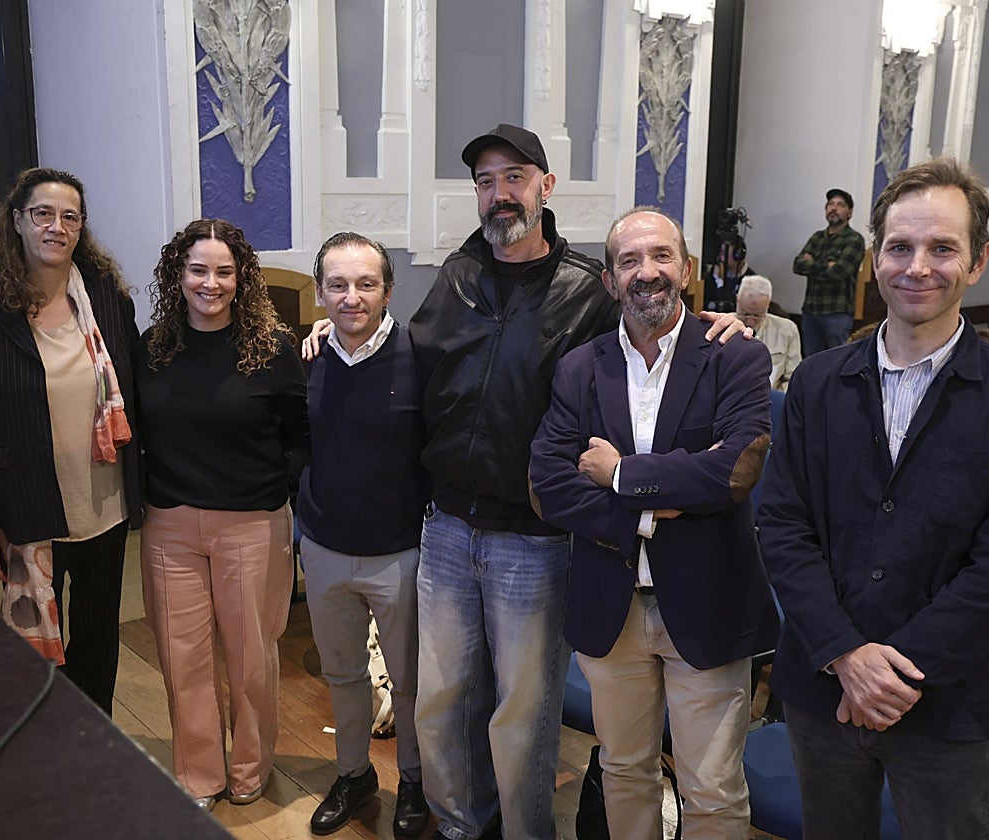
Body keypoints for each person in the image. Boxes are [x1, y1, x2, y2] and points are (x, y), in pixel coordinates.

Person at [301, 124, 748, 840]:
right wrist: (339, 335)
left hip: (535, 539)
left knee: (521, 712)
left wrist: (715, 323)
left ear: (546, 187)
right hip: (445, 525)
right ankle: (458, 827)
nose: (499, 194)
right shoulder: (457, 275)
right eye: (485, 181)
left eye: (514, 177)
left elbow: (651, 326)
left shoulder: (586, 289)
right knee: (441, 700)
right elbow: (411, 360)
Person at [758, 158, 989, 839]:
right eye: (900, 246)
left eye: (942, 247)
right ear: (876, 256)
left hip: (946, 701)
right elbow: (782, 526)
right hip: (821, 691)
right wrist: (845, 655)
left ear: (977, 261)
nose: (917, 266)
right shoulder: (815, 382)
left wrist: (891, 673)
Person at [530, 207, 779, 840]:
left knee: (714, 789)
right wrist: (644, 511)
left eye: (662, 256)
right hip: (610, 606)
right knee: (623, 771)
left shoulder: (735, 356)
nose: (648, 272)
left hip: (704, 602)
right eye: (630, 261)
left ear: (688, 269)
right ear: (610, 281)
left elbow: (733, 473)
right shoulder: (580, 367)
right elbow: (546, 486)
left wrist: (619, 476)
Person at [0, 167, 141, 715]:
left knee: (98, 636)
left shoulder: (104, 298)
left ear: (81, 228)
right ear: (17, 221)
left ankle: (94, 737)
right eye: (43, 214)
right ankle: (45, 743)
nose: (57, 226)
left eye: (70, 216)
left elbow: (140, 384)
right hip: (26, 503)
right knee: (36, 646)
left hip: (105, 502)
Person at [137, 218, 309, 811]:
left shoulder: (271, 349)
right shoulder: (153, 347)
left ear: (242, 278)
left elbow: (299, 433)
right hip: (170, 524)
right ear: (177, 275)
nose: (211, 283)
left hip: (251, 523)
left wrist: (276, 490)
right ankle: (199, 776)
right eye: (198, 270)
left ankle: (250, 768)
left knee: (250, 654)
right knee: (181, 656)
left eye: (224, 272)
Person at [298, 232, 430, 837]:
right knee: (344, 674)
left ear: (388, 289)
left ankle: (414, 782)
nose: (352, 298)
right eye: (338, 285)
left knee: (409, 682)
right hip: (324, 547)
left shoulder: (419, 355)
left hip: (400, 551)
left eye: (366, 284)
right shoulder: (307, 359)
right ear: (321, 291)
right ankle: (352, 775)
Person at [793, 187, 866, 355]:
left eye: (840, 205)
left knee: (837, 360)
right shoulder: (817, 237)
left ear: (849, 212)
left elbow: (839, 272)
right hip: (811, 310)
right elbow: (797, 265)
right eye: (830, 204)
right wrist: (827, 265)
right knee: (810, 362)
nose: (834, 208)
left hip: (837, 313)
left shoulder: (854, 239)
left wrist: (813, 265)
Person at [736, 275, 802, 391]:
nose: (750, 321)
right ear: (737, 300)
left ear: (768, 306)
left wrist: (779, 400)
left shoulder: (787, 330)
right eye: (744, 313)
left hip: (772, 400)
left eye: (757, 315)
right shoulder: (722, 326)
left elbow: (793, 377)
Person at [702, 233, 753, 313]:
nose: (720, 257)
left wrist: (720, 283)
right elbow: (705, 303)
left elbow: (731, 307)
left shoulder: (750, 280)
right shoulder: (715, 273)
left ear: (737, 255)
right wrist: (717, 279)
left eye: (723, 253)